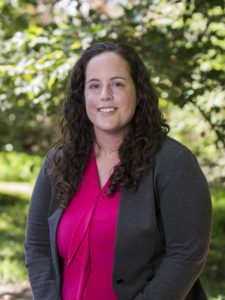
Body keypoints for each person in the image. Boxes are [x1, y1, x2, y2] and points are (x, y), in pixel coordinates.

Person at [24, 42, 212, 300]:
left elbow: (186, 256)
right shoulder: (59, 161)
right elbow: (38, 247)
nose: (105, 95)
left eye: (117, 84)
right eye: (94, 85)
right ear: (82, 96)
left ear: (138, 91)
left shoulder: (173, 163)